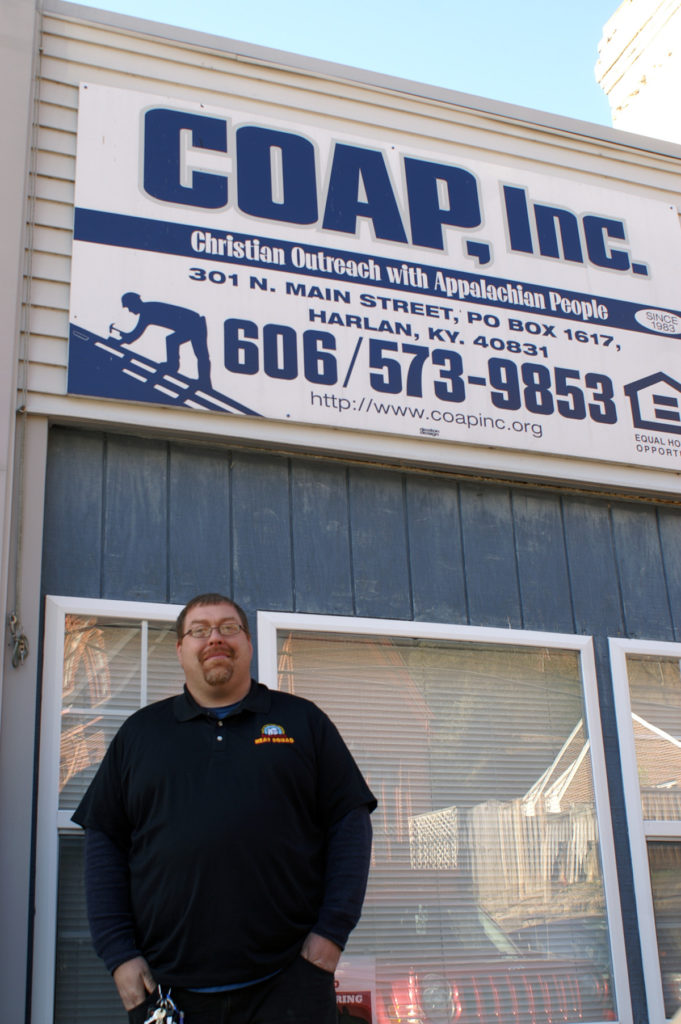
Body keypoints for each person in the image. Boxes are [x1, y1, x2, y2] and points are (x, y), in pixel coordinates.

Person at [73, 593, 376, 1023]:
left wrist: (331, 935)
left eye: (228, 627)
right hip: (167, 989)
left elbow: (350, 822)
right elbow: (104, 841)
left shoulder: (302, 722)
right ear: (180, 650)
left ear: (249, 644)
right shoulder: (140, 736)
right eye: (199, 630)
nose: (214, 638)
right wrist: (119, 955)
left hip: (289, 984)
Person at [114, 292, 212, 385]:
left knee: (199, 353)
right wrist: (123, 339)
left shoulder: (147, 311)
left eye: (129, 307)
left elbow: (135, 334)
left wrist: (120, 341)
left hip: (195, 323)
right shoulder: (147, 309)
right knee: (172, 340)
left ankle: (202, 380)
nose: (130, 310)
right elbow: (134, 334)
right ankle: (174, 366)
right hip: (192, 324)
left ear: (134, 303)